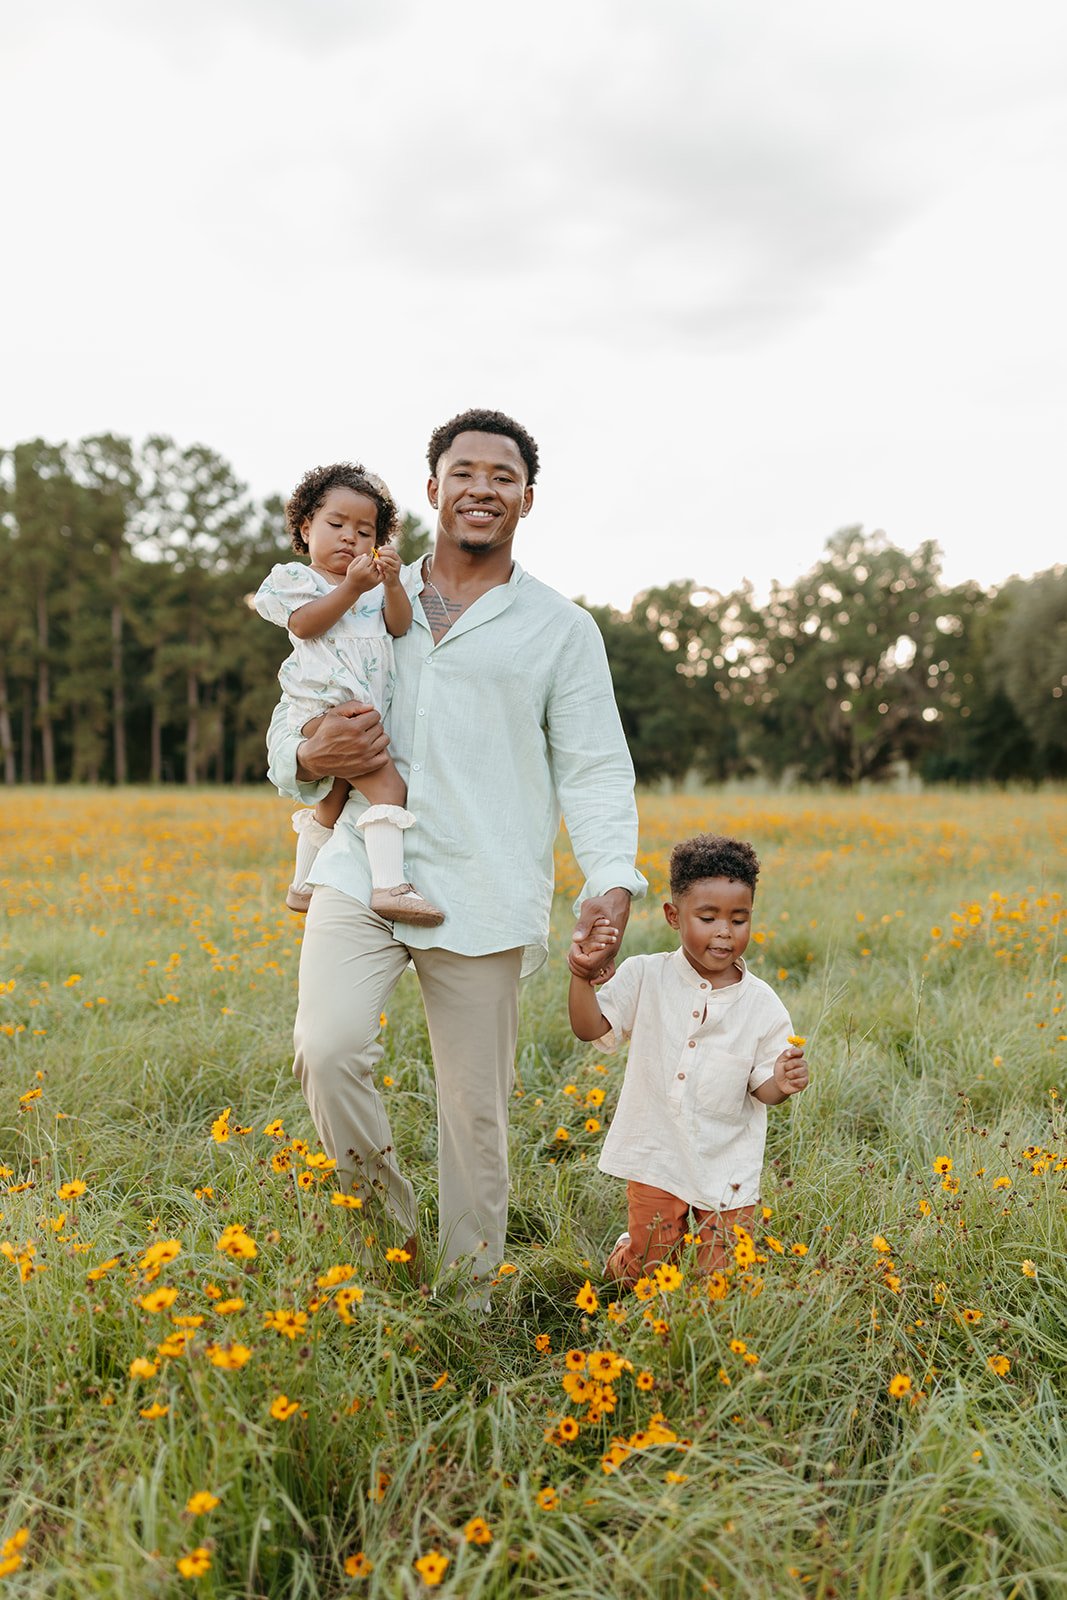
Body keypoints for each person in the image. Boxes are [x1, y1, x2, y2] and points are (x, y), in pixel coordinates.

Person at [265, 408, 646, 1298]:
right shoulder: (360, 594)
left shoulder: (560, 628)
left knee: (475, 1112)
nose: (482, 488)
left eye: (502, 476)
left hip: (484, 886)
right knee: (326, 1050)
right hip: (364, 864)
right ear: (432, 490)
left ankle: (471, 1300)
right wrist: (304, 757)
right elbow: (296, 709)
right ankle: (392, 1247)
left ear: (527, 499)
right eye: (463, 472)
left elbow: (594, 769)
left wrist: (612, 878)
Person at [568, 833, 809, 1285]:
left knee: (719, 1281)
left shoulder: (762, 1004)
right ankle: (625, 1253)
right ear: (673, 916)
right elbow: (591, 1028)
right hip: (657, 1152)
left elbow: (764, 1091)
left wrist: (782, 1079)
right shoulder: (646, 975)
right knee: (648, 1271)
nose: (725, 932)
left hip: (728, 1164)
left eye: (739, 919)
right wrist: (582, 978)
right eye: (708, 917)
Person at [254, 463, 443, 926]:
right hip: (321, 706)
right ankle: (389, 885)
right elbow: (304, 624)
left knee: (334, 798)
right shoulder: (299, 581)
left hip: (360, 709)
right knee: (388, 786)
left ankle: (302, 885)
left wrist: (392, 584)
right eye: (335, 525)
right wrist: (352, 587)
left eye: (364, 531)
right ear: (305, 528)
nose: (349, 539)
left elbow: (399, 627)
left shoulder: (375, 589)